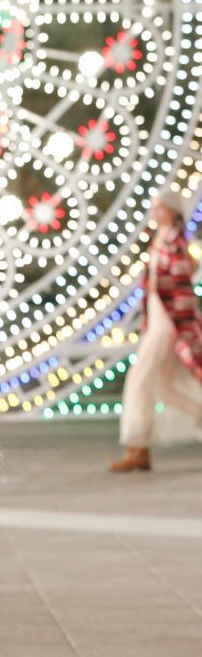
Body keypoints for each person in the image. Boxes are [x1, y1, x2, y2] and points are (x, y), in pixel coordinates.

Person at [109, 188, 202, 471]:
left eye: (159, 207)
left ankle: (137, 444)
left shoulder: (175, 242)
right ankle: (140, 447)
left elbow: (181, 284)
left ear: (171, 211)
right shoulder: (160, 238)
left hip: (169, 322)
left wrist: (180, 325)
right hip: (159, 318)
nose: (154, 211)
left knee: (140, 378)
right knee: (166, 385)